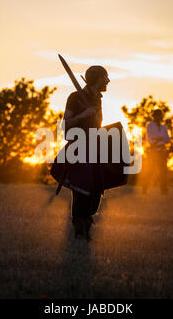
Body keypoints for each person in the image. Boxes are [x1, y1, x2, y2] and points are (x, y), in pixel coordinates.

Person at [62, 65, 110, 240]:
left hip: (96, 149)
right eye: (106, 77)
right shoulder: (75, 98)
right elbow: (65, 126)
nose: (108, 81)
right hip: (79, 149)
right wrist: (83, 115)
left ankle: (86, 221)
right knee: (81, 189)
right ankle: (80, 228)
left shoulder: (97, 99)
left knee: (96, 190)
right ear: (97, 79)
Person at [142, 109, 171, 194]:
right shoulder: (150, 125)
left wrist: (159, 139)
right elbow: (151, 137)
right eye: (157, 115)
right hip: (153, 151)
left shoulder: (163, 127)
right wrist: (160, 139)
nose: (159, 117)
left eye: (160, 115)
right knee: (150, 170)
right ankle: (145, 188)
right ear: (154, 116)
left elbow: (167, 139)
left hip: (162, 151)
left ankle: (163, 189)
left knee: (163, 171)